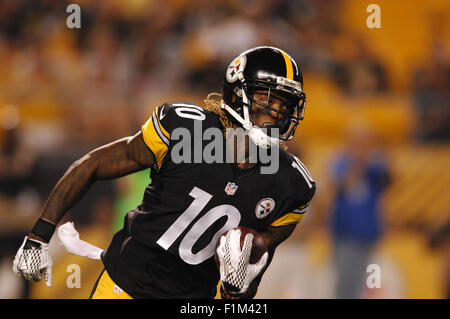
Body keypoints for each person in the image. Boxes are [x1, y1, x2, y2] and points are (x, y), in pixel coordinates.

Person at [12, 46, 316, 299]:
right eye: (268, 100)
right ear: (237, 93)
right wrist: (38, 236)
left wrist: (237, 289)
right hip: (127, 286)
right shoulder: (185, 130)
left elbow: (251, 270)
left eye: (285, 106)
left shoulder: (291, 184)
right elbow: (92, 164)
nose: (277, 114)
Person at [329, 124, 390, 299]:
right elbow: (338, 184)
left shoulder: (376, 164)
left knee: (367, 283)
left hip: (369, 233)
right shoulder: (341, 161)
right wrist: (357, 162)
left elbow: (389, 181)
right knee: (346, 283)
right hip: (346, 234)